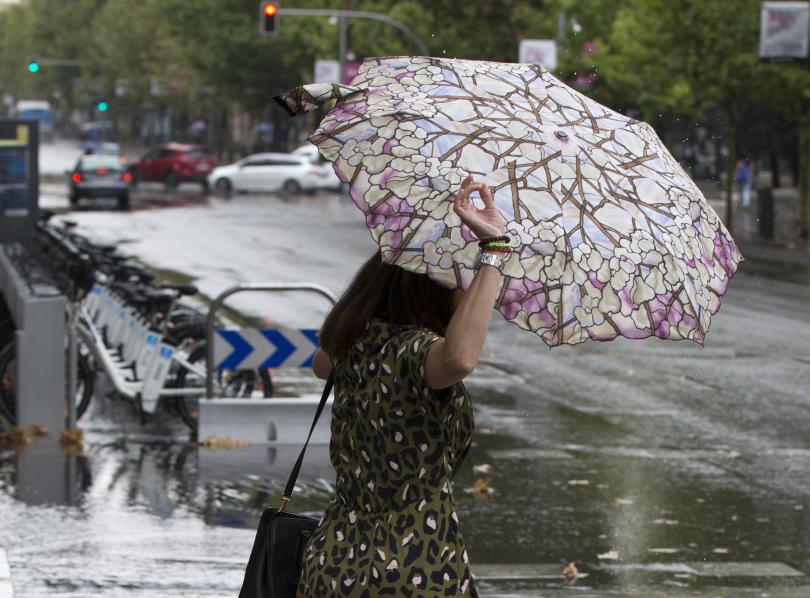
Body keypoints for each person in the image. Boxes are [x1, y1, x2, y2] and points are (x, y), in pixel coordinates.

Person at [296, 176, 508, 597]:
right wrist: (495, 252)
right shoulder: (415, 354)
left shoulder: (349, 347)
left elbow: (323, 359)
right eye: (459, 284)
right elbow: (460, 358)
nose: (466, 296)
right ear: (432, 290)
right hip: (412, 565)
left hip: (333, 560)